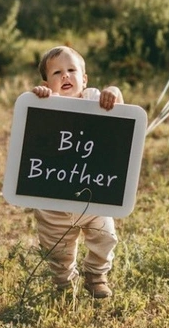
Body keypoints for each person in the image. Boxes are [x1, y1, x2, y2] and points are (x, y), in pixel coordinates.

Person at [31, 45, 124, 298]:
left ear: (84, 79)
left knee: (105, 237)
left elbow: (119, 108)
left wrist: (113, 93)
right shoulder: (44, 103)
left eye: (72, 70)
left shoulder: (94, 100)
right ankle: (63, 283)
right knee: (56, 249)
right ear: (46, 83)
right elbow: (30, 131)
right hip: (53, 204)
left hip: (93, 195)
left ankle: (96, 275)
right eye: (57, 72)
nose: (65, 76)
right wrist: (39, 98)